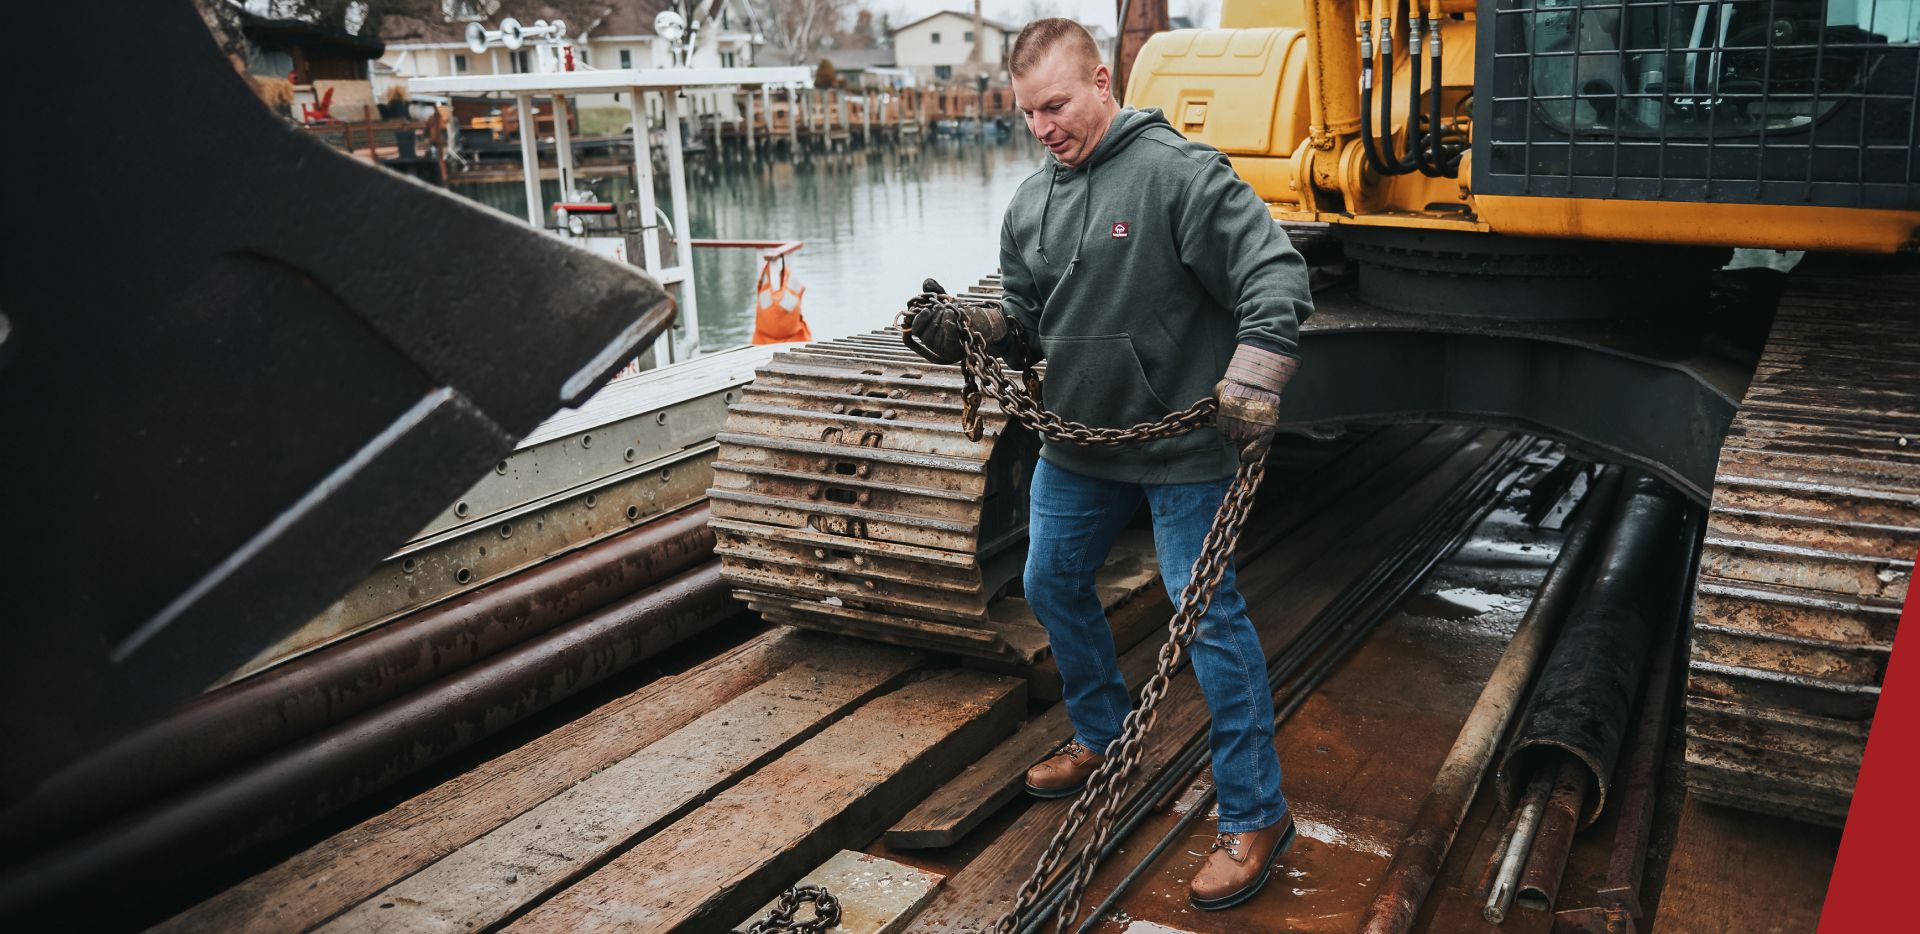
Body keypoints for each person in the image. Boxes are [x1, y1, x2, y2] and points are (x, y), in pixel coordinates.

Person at [909, 17, 1313, 913]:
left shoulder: (1179, 175)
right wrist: (970, 330)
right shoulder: (1030, 203)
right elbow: (1021, 313)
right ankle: (1101, 731)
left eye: (1055, 106)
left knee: (1205, 617)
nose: (1043, 127)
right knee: (1052, 583)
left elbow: (1275, 273)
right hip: (1079, 443)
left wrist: (1256, 371)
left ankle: (1255, 814)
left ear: (1101, 81)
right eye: (1026, 115)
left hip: (1183, 449)